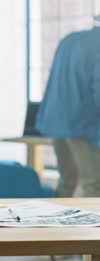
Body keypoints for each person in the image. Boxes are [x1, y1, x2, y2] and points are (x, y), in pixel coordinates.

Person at [35, 25, 100, 197]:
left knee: (67, 181)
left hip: (56, 121)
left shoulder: (69, 40)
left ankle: (57, 223)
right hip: (81, 127)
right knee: (94, 184)